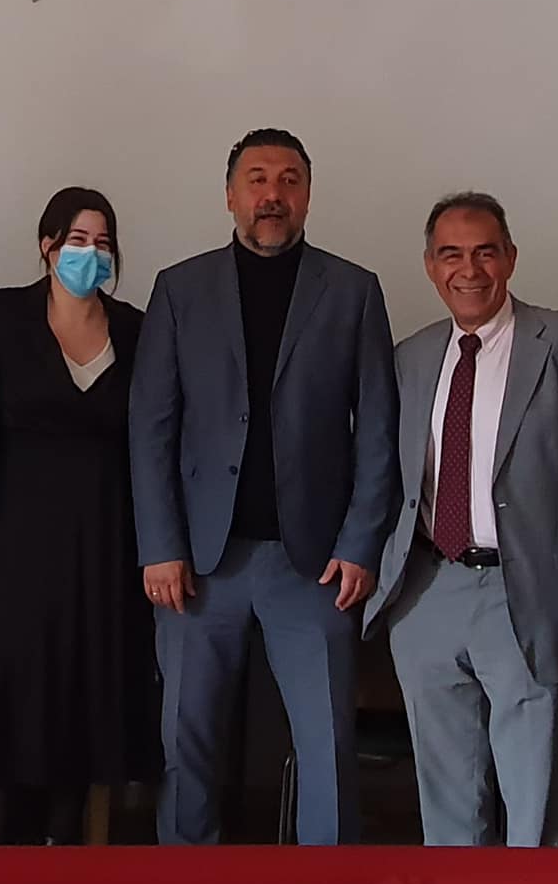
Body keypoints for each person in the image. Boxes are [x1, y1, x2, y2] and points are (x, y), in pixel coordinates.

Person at [131, 128, 400, 846]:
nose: (272, 195)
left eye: (288, 180)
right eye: (257, 179)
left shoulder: (353, 291)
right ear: (230, 195)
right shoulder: (180, 290)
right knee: (185, 743)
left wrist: (362, 543)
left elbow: (379, 429)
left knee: (328, 750)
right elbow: (151, 427)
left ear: (307, 195)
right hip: (197, 564)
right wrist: (159, 545)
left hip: (313, 565)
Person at [366, 193, 558, 846]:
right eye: (451, 255)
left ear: (511, 258)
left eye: (484, 253)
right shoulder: (411, 358)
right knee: (446, 807)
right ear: (430, 266)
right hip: (428, 590)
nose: (468, 270)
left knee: (535, 807)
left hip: (528, 594)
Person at [0, 188, 157, 844]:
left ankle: (66, 847)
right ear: (47, 246)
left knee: (86, 680)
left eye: (103, 243)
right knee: (13, 679)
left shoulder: (136, 328)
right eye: (77, 240)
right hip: (14, 533)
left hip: (104, 535)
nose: (90, 254)